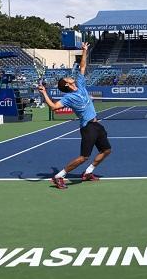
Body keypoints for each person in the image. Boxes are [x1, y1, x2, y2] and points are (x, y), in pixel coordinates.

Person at [38, 42, 111, 189]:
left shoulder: (80, 84)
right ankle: (59, 176)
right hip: (88, 128)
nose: (69, 77)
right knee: (84, 157)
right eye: (67, 78)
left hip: (97, 125)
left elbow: (83, 67)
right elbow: (53, 107)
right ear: (66, 84)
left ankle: (88, 172)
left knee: (106, 150)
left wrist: (84, 50)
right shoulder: (68, 98)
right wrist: (44, 93)